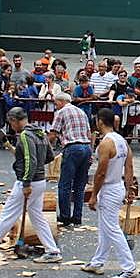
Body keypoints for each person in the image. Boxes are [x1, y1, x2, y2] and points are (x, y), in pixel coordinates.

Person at [0, 107, 61, 263]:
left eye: (10, 123)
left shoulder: (25, 136)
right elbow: (48, 157)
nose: (11, 127)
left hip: (28, 182)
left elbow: (30, 160)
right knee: (37, 216)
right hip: (40, 180)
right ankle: (52, 250)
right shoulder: (40, 133)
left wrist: (26, 182)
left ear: (13, 120)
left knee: (8, 214)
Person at [81, 108, 139, 278]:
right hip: (118, 186)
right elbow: (129, 167)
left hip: (108, 189)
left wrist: (93, 195)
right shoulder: (121, 140)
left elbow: (100, 172)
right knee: (105, 227)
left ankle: (129, 268)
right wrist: (129, 189)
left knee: (112, 229)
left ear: (99, 121)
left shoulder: (105, 144)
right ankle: (97, 261)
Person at [49, 93, 93, 227]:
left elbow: (53, 133)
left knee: (65, 185)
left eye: (56, 103)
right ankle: (77, 216)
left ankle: (65, 216)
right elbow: (89, 133)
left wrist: (45, 148)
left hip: (72, 147)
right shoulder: (81, 112)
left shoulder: (61, 112)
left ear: (62, 101)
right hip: (86, 147)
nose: (56, 106)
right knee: (80, 185)